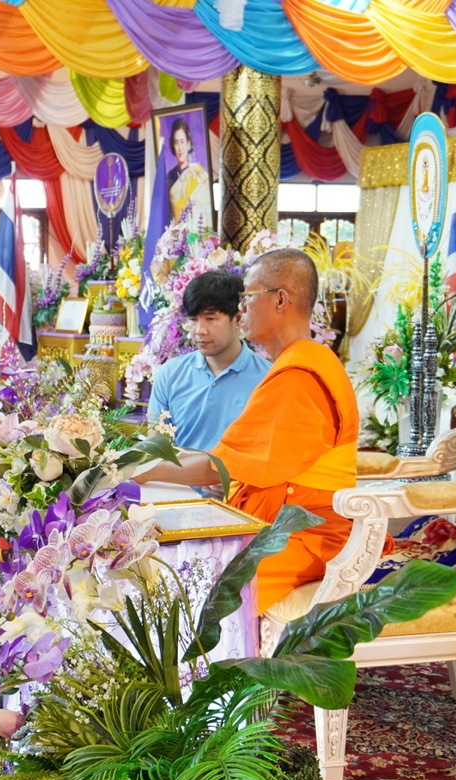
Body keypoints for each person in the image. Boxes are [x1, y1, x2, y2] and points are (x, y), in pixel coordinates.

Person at [135, 248, 359, 614]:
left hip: (307, 533)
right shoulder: (294, 365)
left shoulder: (300, 375)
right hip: (278, 519)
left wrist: (141, 470)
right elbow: (241, 461)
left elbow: (222, 467)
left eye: (248, 297)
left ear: (280, 300)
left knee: (201, 583)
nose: (241, 310)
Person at [146, 271, 271, 451]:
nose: (199, 330)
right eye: (193, 320)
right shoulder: (170, 374)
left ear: (238, 319)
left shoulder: (267, 379)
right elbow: (155, 447)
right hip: (179, 470)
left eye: (210, 319)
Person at [166, 117, 212, 227]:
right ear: (173, 145)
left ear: (188, 143)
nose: (180, 148)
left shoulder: (199, 174)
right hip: (176, 235)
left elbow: (207, 209)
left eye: (182, 142)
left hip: (198, 232)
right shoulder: (169, 177)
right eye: (176, 143)